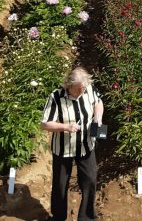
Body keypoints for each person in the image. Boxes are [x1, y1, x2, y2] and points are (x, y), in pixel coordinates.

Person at [41, 67, 104, 221]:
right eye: (78, 90)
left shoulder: (88, 88)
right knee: (60, 185)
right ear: (69, 85)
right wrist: (66, 127)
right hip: (63, 148)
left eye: (84, 89)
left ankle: (87, 217)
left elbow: (98, 102)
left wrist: (98, 117)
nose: (82, 92)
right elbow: (45, 124)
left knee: (90, 180)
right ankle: (58, 216)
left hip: (86, 145)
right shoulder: (56, 97)